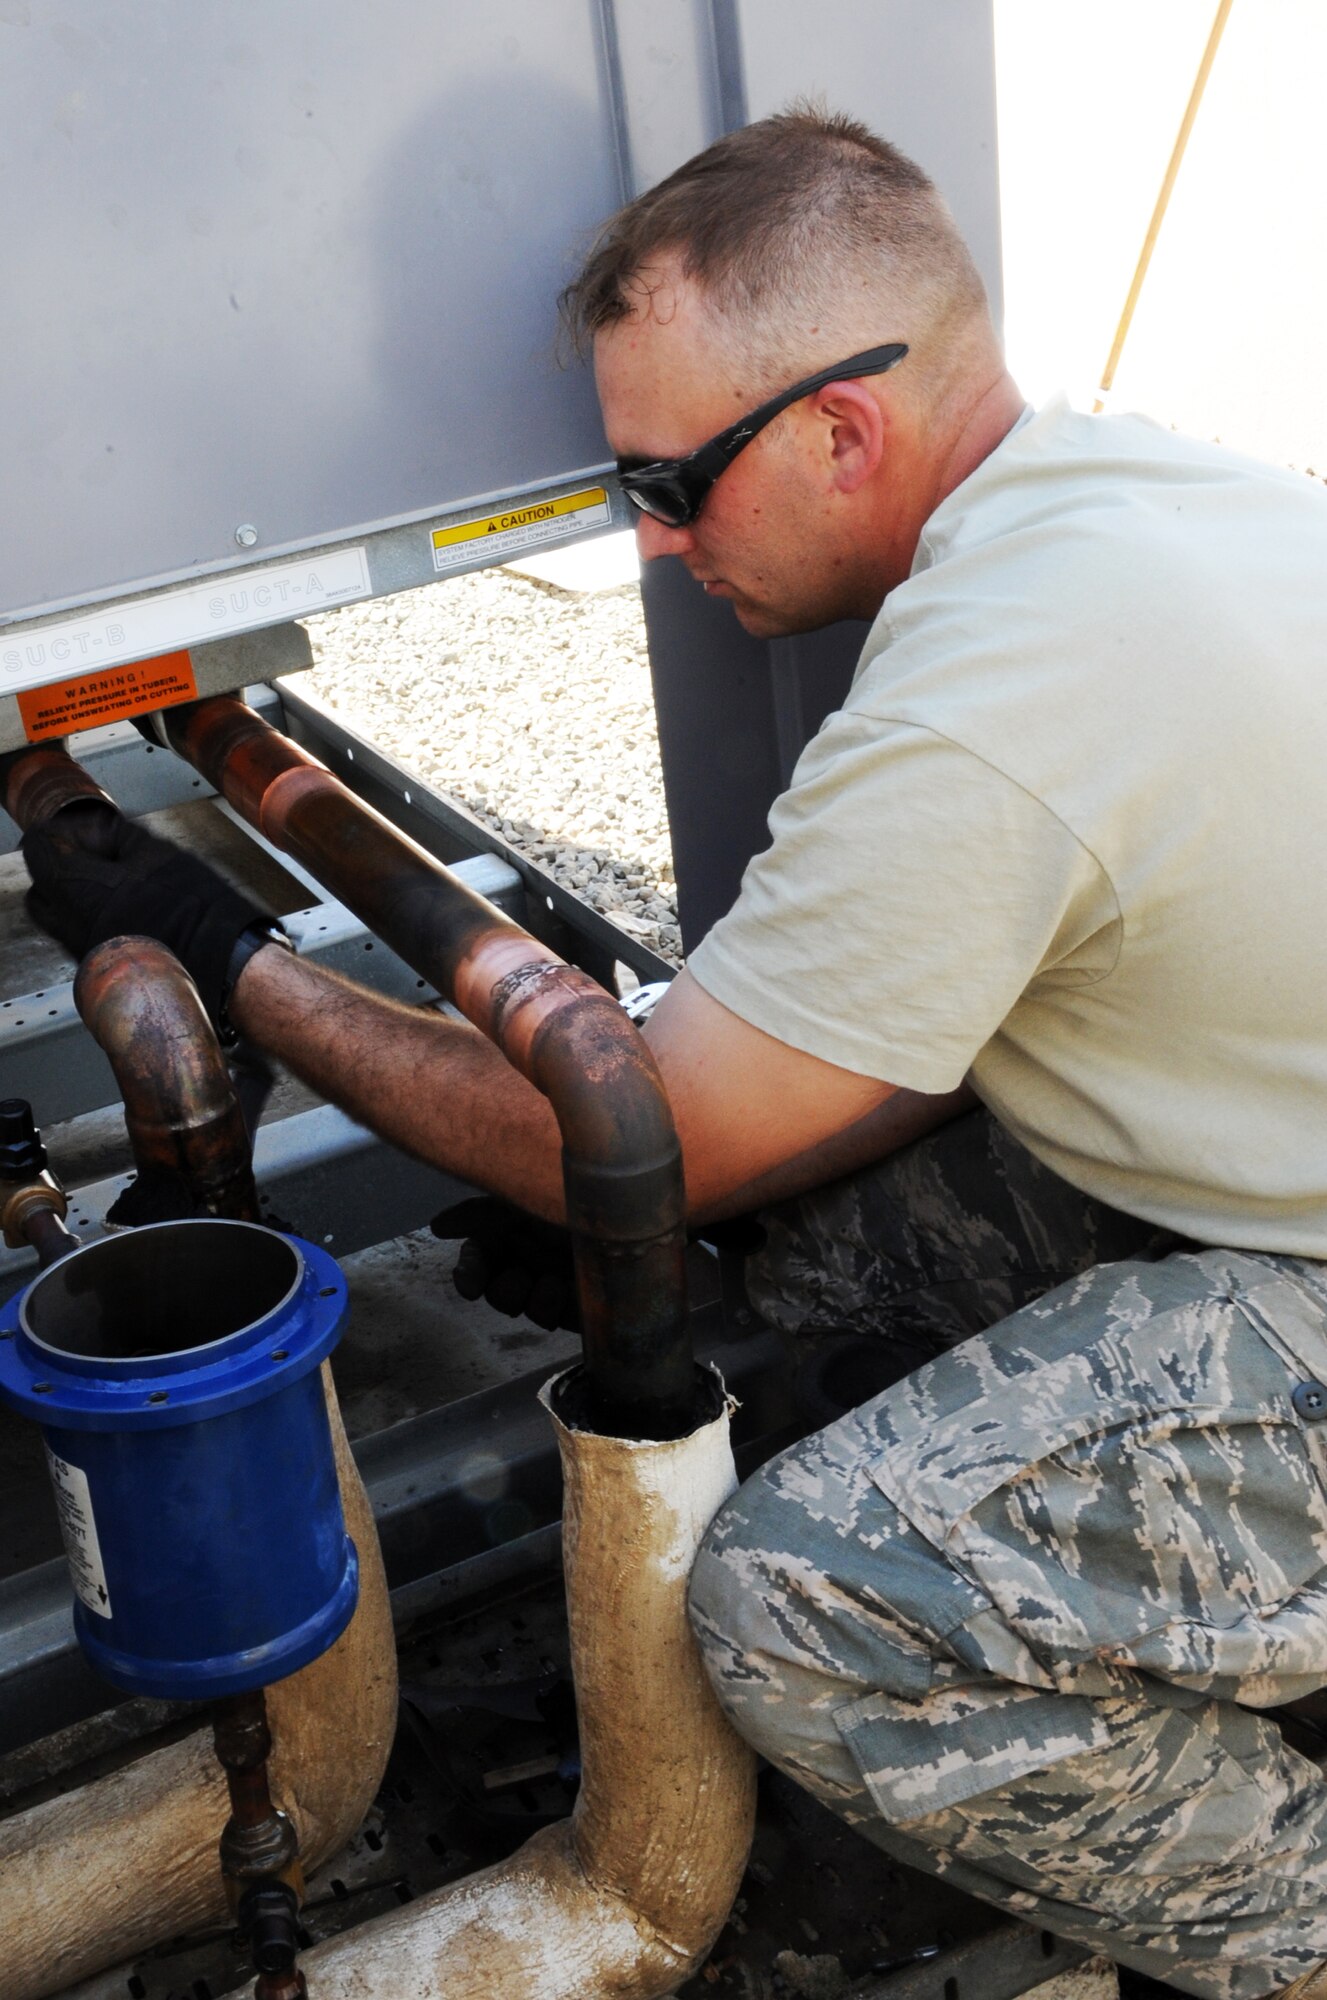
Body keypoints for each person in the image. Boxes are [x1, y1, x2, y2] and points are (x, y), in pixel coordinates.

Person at [21, 107, 1327, 2000]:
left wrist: (234, 960)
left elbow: (631, 1138)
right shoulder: (1128, 502)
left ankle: (1281, 1910)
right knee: (793, 1252)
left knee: (805, 1602)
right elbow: (837, 1071)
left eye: (668, 482)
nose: (646, 536)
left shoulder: (992, 699)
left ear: (840, 429)